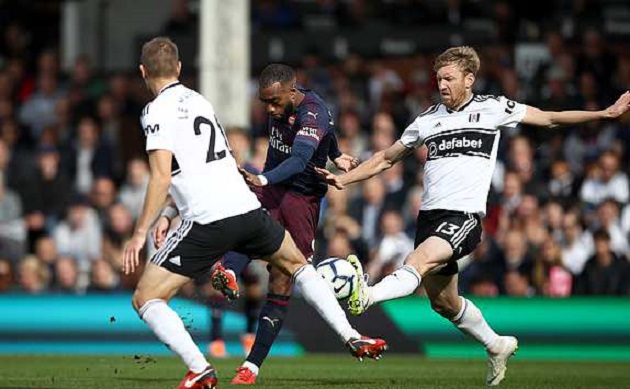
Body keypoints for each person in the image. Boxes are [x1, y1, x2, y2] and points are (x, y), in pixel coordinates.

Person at [317, 46, 630, 386]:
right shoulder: (427, 119)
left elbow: (549, 117)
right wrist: (344, 179)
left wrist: (603, 114)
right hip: (430, 220)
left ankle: (367, 295)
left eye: (449, 78)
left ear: (469, 79)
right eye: (439, 78)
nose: (442, 84)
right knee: (445, 304)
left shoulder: (493, 108)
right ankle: (497, 345)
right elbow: (385, 158)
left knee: (416, 261)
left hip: (463, 217)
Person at [122, 37, 387, 389]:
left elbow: (160, 175)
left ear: (143, 72)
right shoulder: (200, 101)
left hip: (211, 216)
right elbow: (212, 164)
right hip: (248, 207)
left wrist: (144, 230)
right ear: (180, 69)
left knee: (146, 298)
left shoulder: (155, 111)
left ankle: (199, 366)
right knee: (298, 267)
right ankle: (349, 334)